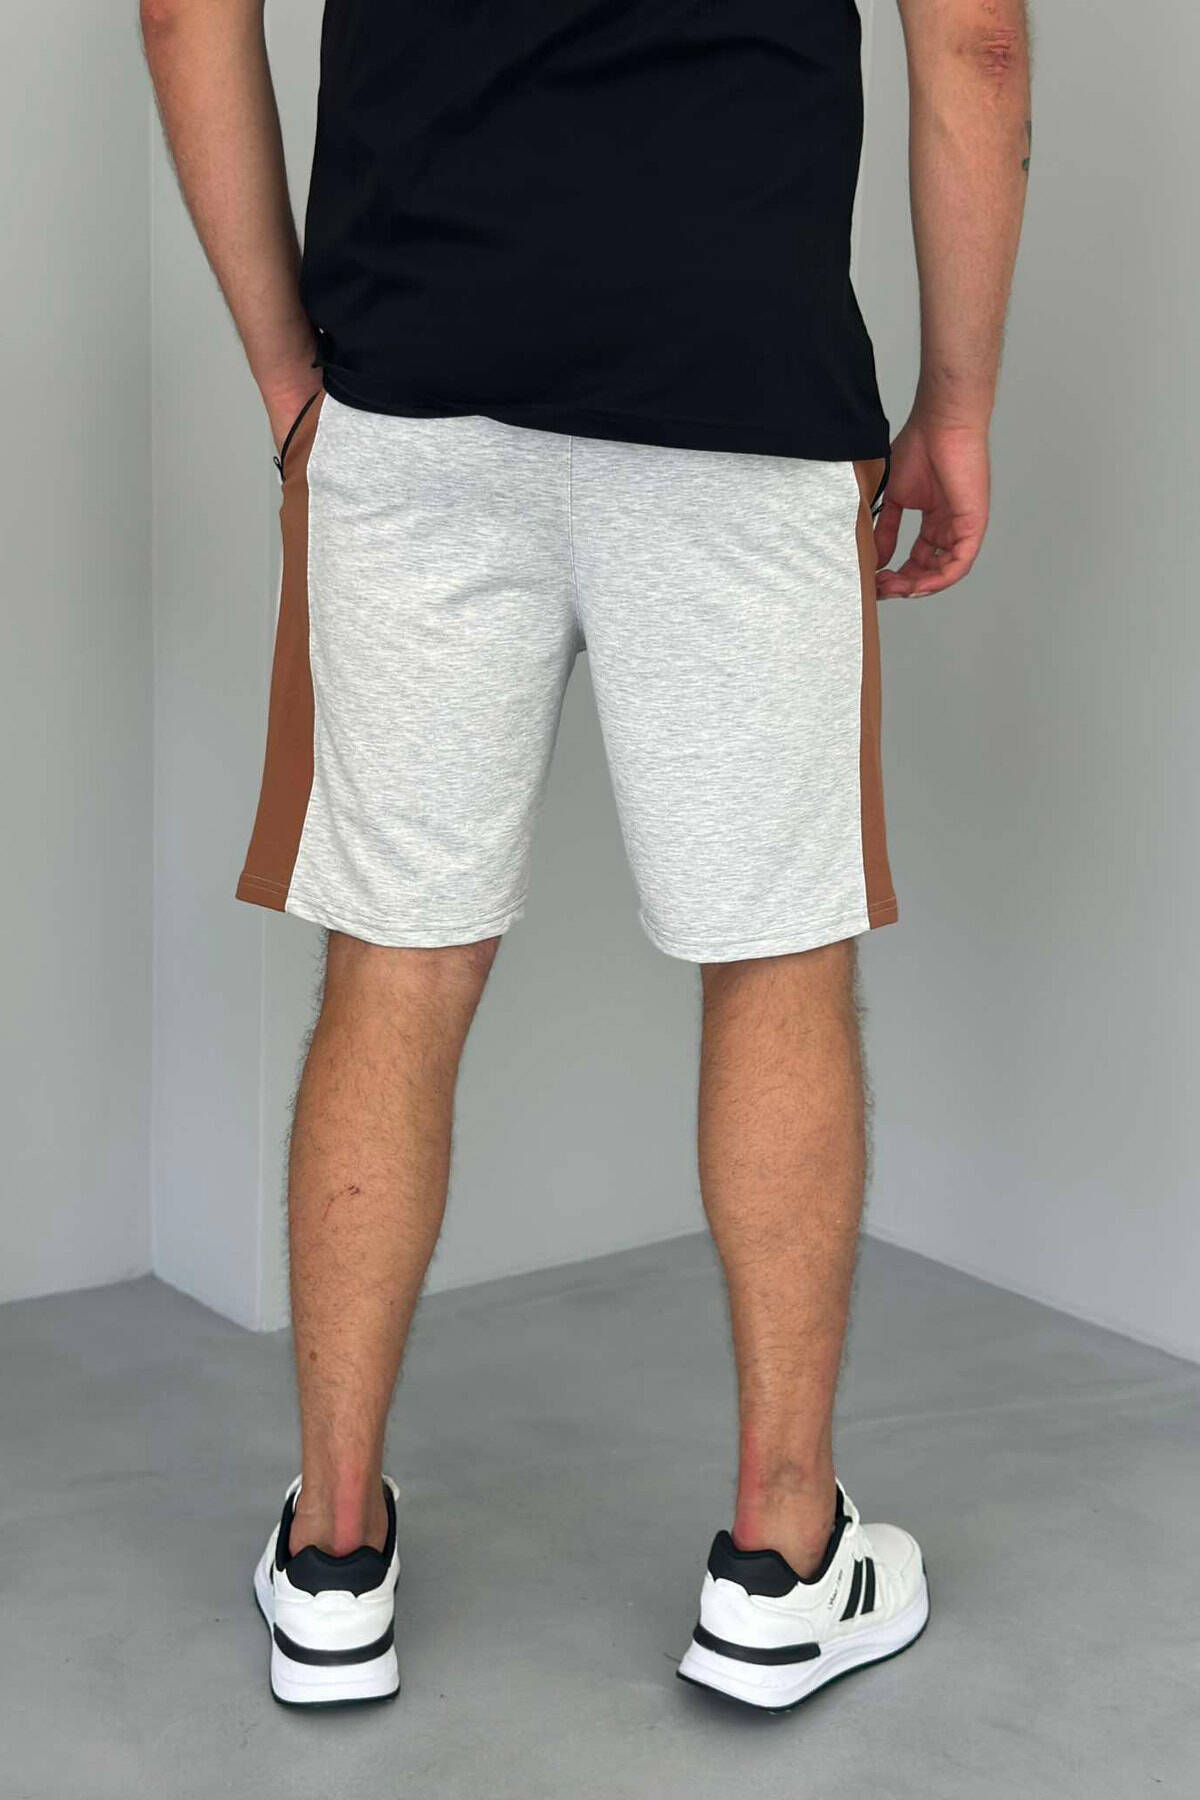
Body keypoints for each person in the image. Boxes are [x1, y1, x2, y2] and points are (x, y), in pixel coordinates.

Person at [142, 0, 1029, 1713]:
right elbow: (975, 41)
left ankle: (333, 1557)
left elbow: (186, 10)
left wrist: (283, 368)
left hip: (414, 378)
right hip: (746, 388)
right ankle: (780, 1562)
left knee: (395, 963)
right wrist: (961, 398)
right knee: (777, 955)